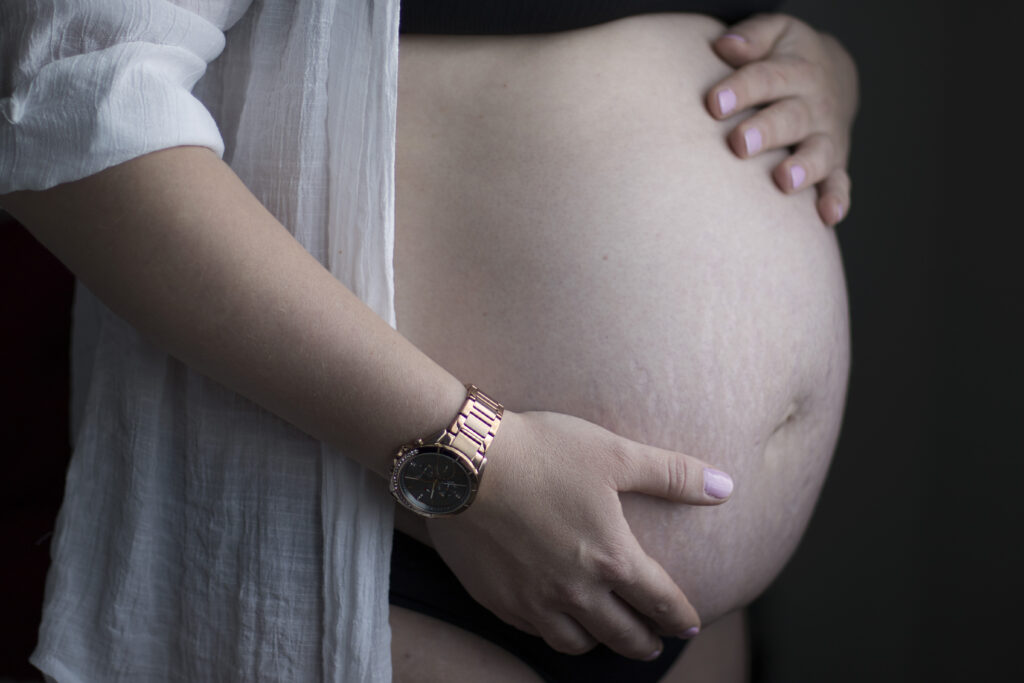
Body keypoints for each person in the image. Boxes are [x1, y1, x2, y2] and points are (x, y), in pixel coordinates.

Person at [0, 0, 857, 681]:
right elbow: (70, 105)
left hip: (696, 621)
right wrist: (470, 466)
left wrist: (822, 67)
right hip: (381, 548)